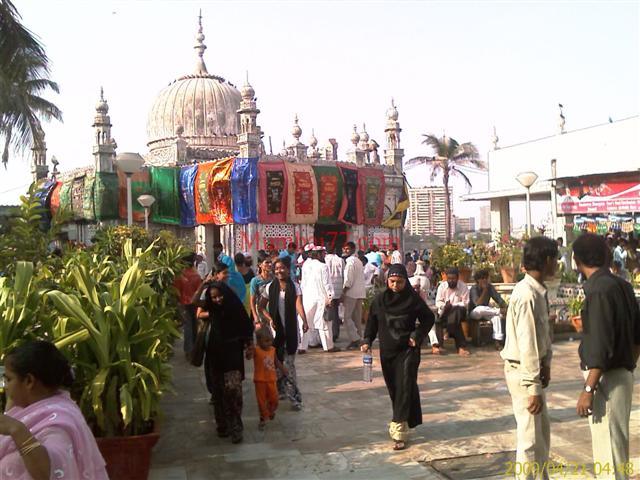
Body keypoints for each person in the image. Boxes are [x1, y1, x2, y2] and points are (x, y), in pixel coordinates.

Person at [572, 233, 640, 479]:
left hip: (605, 379)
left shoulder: (598, 290)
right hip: (621, 373)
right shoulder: (622, 285)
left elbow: (600, 346)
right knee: (616, 447)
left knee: (608, 452)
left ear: (577, 260)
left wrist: (588, 390)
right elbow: (637, 335)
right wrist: (629, 364)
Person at [0, 341, 108, 479]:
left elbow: (50, 472)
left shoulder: (58, 425)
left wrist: (17, 430)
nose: (6, 386)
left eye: (8, 379)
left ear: (29, 381)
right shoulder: (28, 406)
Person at [501, 236, 558, 479]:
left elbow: (541, 336)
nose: (557, 264)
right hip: (523, 372)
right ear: (547, 261)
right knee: (530, 439)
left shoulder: (537, 291)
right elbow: (527, 344)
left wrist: (546, 364)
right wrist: (533, 385)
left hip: (531, 371)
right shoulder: (526, 294)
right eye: (555, 259)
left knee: (540, 435)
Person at [361, 264, 435, 451]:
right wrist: (367, 340)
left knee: (404, 387)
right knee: (396, 389)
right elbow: (372, 323)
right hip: (387, 352)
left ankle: (399, 431)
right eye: (392, 281)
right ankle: (406, 419)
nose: (395, 285)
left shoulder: (413, 299)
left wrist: (416, 336)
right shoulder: (379, 301)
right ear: (387, 281)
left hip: (408, 351)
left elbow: (428, 318)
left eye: (400, 282)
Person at [196, 281, 254, 443]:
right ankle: (222, 425)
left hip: (233, 355)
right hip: (215, 356)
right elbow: (195, 302)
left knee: (233, 392)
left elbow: (246, 327)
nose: (218, 300)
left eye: (220, 295)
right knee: (218, 392)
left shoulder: (235, 308)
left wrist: (249, 346)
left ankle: (236, 427)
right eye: (213, 297)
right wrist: (203, 285)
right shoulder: (212, 309)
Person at [259, 258, 308, 410]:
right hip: (275, 333)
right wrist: (270, 319)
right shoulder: (269, 287)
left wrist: (304, 320)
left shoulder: (295, 287)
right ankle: (279, 391)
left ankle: (295, 397)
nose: (279, 271)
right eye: (277, 268)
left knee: (289, 365)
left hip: (291, 331)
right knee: (276, 363)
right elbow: (261, 306)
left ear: (288, 269)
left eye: (282, 268)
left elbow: (298, 304)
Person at [299, 246, 339, 353]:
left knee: (305, 321)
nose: (325, 255)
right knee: (325, 322)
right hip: (321, 297)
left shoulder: (306, 265)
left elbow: (303, 282)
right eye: (323, 253)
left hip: (307, 297)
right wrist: (330, 297)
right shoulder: (323, 266)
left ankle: (302, 347)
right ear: (319, 254)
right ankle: (329, 346)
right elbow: (327, 284)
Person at [253, 327, 287, 431]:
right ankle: (263, 418)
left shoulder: (272, 350)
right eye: (266, 341)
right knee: (261, 401)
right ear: (259, 341)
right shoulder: (256, 350)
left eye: (270, 341)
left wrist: (283, 368)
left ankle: (271, 411)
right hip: (260, 380)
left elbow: (276, 361)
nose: (269, 343)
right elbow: (249, 356)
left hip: (272, 379)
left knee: (274, 399)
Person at [173, 252, 204, 360]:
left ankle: (189, 350)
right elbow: (199, 290)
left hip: (183, 303)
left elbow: (176, 291)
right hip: (194, 303)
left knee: (188, 327)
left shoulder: (179, 276)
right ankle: (194, 349)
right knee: (194, 326)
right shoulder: (196, 275)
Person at [435, 267, 471, 356]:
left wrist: (453, 306)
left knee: (457, 311)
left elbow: (466, 303)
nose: (451, 281)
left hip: (460, 312)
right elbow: (438, 302)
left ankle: (449, 330)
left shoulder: (463, 286)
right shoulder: (442, 286)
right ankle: (461, 346)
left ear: (457, 278)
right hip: (445, 312)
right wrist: (444, 306)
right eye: (449, 279)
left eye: (453, 279)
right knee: (453, 319)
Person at [469, 269, 508, 350]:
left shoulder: (490, 287)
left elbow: (499, 300)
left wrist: (506, 307)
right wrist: (485, 290)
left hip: (487, 312)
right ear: (477, 280)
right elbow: (477, 304)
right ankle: (498, 311)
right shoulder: (474, 288)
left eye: (486, 278)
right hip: (475, 313)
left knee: (496, 317)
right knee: (480, 309)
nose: (484, 280)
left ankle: (497, 341)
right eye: (482, 278)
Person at [342, 241, 366, 350]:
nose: (345, 251)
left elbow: (348, 280)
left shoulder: (350, 262)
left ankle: (355, 339)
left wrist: (344, 291)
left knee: (346, 317)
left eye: (347, 249)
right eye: (344, 248)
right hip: (360, 292)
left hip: (351, 293)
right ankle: (359, 338)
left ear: (352, 249)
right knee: (356, 318)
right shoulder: (358, 261)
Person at [324, 245, 345, 342]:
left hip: (328, 289)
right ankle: (335, 333)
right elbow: (344, 274)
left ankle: (329, 334)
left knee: (328, 312)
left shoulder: (324, 260)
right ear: (335, 250)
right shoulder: (340, 260)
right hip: (338, 289)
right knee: (335, 312)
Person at [250, 253, 274, 329]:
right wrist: (255, 316)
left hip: (272, 311)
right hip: (261, 312)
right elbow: (252, 300)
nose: (270, 264)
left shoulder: (274, 279)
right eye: (267, 262)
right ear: (260, 264)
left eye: (270, 262)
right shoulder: (255, 281)